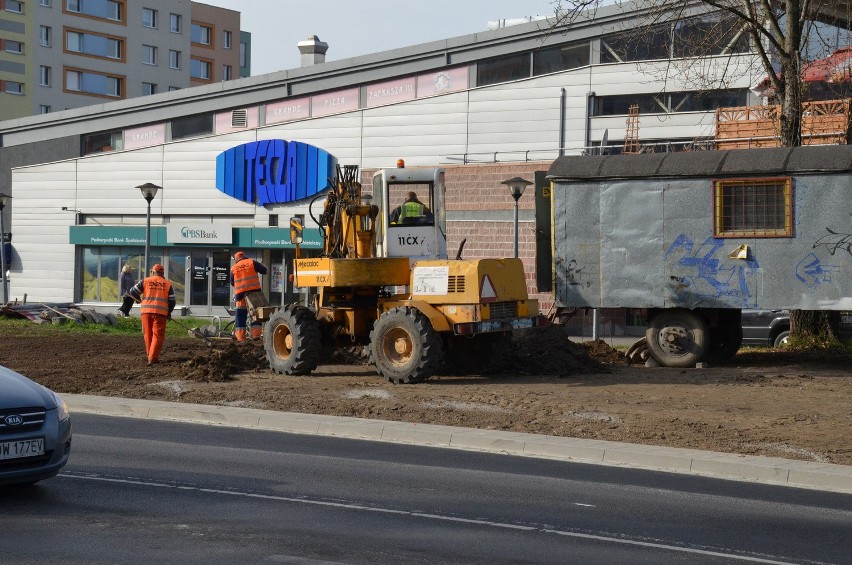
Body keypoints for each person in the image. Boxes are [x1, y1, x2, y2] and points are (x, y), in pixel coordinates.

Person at [127, 264, 175, 366]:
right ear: (162, 273)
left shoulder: (145, 281)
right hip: (160, 314)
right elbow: (172, 301)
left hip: (146, 312)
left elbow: (132, 291)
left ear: (153, 272)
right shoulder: (167, 284)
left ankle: (150, 356)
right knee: (157, 336)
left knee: (148, 335)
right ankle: (153, 358)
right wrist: (169, 312)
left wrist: (139, 300)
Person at [229, 251, 268, 342]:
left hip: (240, 295)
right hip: (254, 294)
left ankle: (240, 338)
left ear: (236, 260)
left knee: (240, 316)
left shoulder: (233, 268)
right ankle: (256, 336)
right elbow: (264, 271)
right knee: (255, 314)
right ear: (244, 257)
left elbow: (232, 282)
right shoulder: (251, 262)